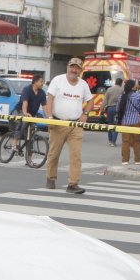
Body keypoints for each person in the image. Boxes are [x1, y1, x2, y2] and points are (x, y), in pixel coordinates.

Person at [44, 58, 96, 194]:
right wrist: (49, 117)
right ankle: (51, 178)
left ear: (80, 70)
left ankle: (73, 184)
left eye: (77, 68)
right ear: (68, 67)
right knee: (54, 154)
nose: (74, 70)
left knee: (76, 155)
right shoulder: (58, 80)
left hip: (75, 124)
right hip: (58, 122)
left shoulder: (83, 84)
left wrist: (85, 114)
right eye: (72, 67)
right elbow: (49, 99)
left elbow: (91, 101)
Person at [115, 78, 140, 164]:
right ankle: (137, 160)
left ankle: (125, 160)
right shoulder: (137, 96)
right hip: (136, 121)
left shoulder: (121, 96)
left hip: (125, 122)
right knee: (136, 141)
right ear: (132, 87)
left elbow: (118, 109)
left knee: (125, 142)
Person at [17, 74, 47, 151]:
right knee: (21, 125)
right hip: (21, 110)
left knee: (30, 135)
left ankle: (29, 158)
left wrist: (48, 117)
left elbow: (44, 106)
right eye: (41, 82)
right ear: (35, 82)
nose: (42, 84)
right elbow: (25, 102)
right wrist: (25, 113)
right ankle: (14, 144)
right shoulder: (27, 89)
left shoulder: (42, 93)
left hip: (32, 114)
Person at [103, 77, 124, 146]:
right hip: (117, 109)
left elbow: (105, 101)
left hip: (109, 109)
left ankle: (110, 140)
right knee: (116, 125)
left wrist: (101, 109)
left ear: (115, 83)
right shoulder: (122, 90)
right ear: (121, 83)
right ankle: (113, 141)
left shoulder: (109, 89)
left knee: (110, 125)